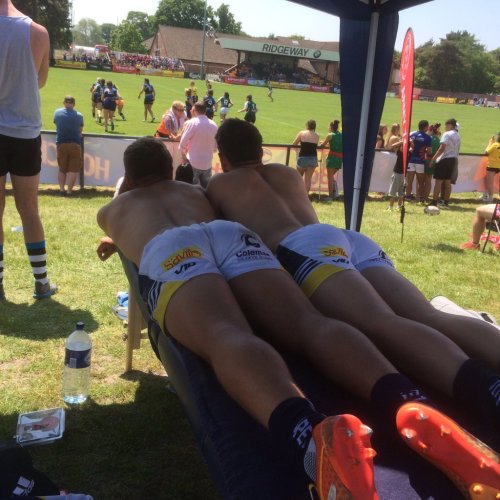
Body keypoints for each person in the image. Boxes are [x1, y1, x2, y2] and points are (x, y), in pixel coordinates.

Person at [97, 137, 500, 499]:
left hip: (175, 248)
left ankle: (310, 436)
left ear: (131, 178)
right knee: (311, 325)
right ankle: (403, 397)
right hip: (231, 233)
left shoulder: (114, 207)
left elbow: (134, 221)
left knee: (225, 335)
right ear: (170, 172)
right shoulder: (196, 191)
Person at [207, 119, 500, 435]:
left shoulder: (220, 186)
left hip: (304, 247)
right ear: (261, 150)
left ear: (222, 158)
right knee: (426, 314)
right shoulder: (287, 174)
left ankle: (483, 390)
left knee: (380, 322)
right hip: (344, 238)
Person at [0, 0, 57, 300]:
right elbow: (41, 80)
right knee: (29, 209)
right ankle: (41, 282)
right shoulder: (38, 31)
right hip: (24, 130)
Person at [179, 102, 218, 188]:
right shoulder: (214, 125)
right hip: (207, 163)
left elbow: (182, 143)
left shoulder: (192, 123)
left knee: (191, 190)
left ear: (193, 110)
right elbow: (215, 148)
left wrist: (183, 157)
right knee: (206, 190)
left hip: (193, 163)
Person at [52, 95, 83, 195]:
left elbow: (56, 125)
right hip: (75, 144)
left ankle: (61, 190)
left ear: (64, 103)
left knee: (62, 169)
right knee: (73, 170)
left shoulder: (57, 112)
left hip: (61, 144)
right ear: (74, 104)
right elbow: (80, 130)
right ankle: (69, 191)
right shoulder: (79, 115)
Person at [428, 118, 461, 209]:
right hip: (453, 159)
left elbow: (442, 148)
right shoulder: (458, 135)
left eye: (446, 125)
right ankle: (446, 201)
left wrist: (433, 159)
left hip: (444, 159)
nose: (445, 127)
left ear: (450, 125)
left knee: (438, 181)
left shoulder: (446, 134)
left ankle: (434, 201)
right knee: (448, 181)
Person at [406, 120, 431, 204]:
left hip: (411, 160)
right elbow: (429, 151)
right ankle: (420, 198)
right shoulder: (427, 137)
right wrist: (426, 150)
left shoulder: (413, 134)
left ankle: (408, 197)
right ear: (425, 127)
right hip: (420, 161)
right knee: (421, 182)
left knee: (409, 181)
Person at [293, 120, 319, 196]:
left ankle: (296, 195)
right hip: (313, 159)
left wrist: (297, 152)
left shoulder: (302, 133)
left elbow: (294, 144)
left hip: (303, 158)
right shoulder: (317, 135)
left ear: (307, 125)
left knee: (298, 178)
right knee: (308, 180)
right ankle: (305, 197)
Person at [319, 120, 342, 200]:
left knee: (330, 178)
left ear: (331, 127)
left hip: (332, 158)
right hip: (339, 159)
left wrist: (322, 143)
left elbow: (322, 145)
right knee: (332, 177)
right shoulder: (341, 135)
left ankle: (331, 196)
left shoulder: (330, 135)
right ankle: (335, 194)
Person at [385, 123, 404, 211]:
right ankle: (396, 205)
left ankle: (392, 205)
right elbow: (394, 147)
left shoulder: (390, 136)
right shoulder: (395, 138)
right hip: (396, 164)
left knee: (394, 185)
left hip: (394, 164)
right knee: (398, 188)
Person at [423, 123, 441, 202]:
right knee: (428, 180)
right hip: (433, 160)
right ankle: (425, 197)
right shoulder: (438, 139)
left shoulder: (428, 138)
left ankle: (423, 196)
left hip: (426, 159)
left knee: (424, 180)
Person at [483, 132, 500, 203]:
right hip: (498, 166)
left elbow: (486, 152)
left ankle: (490, 198)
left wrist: (490, 143)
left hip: (491, 166)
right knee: (486, 180)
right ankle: (485, 194)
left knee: (489, 183)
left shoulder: (495, 145)